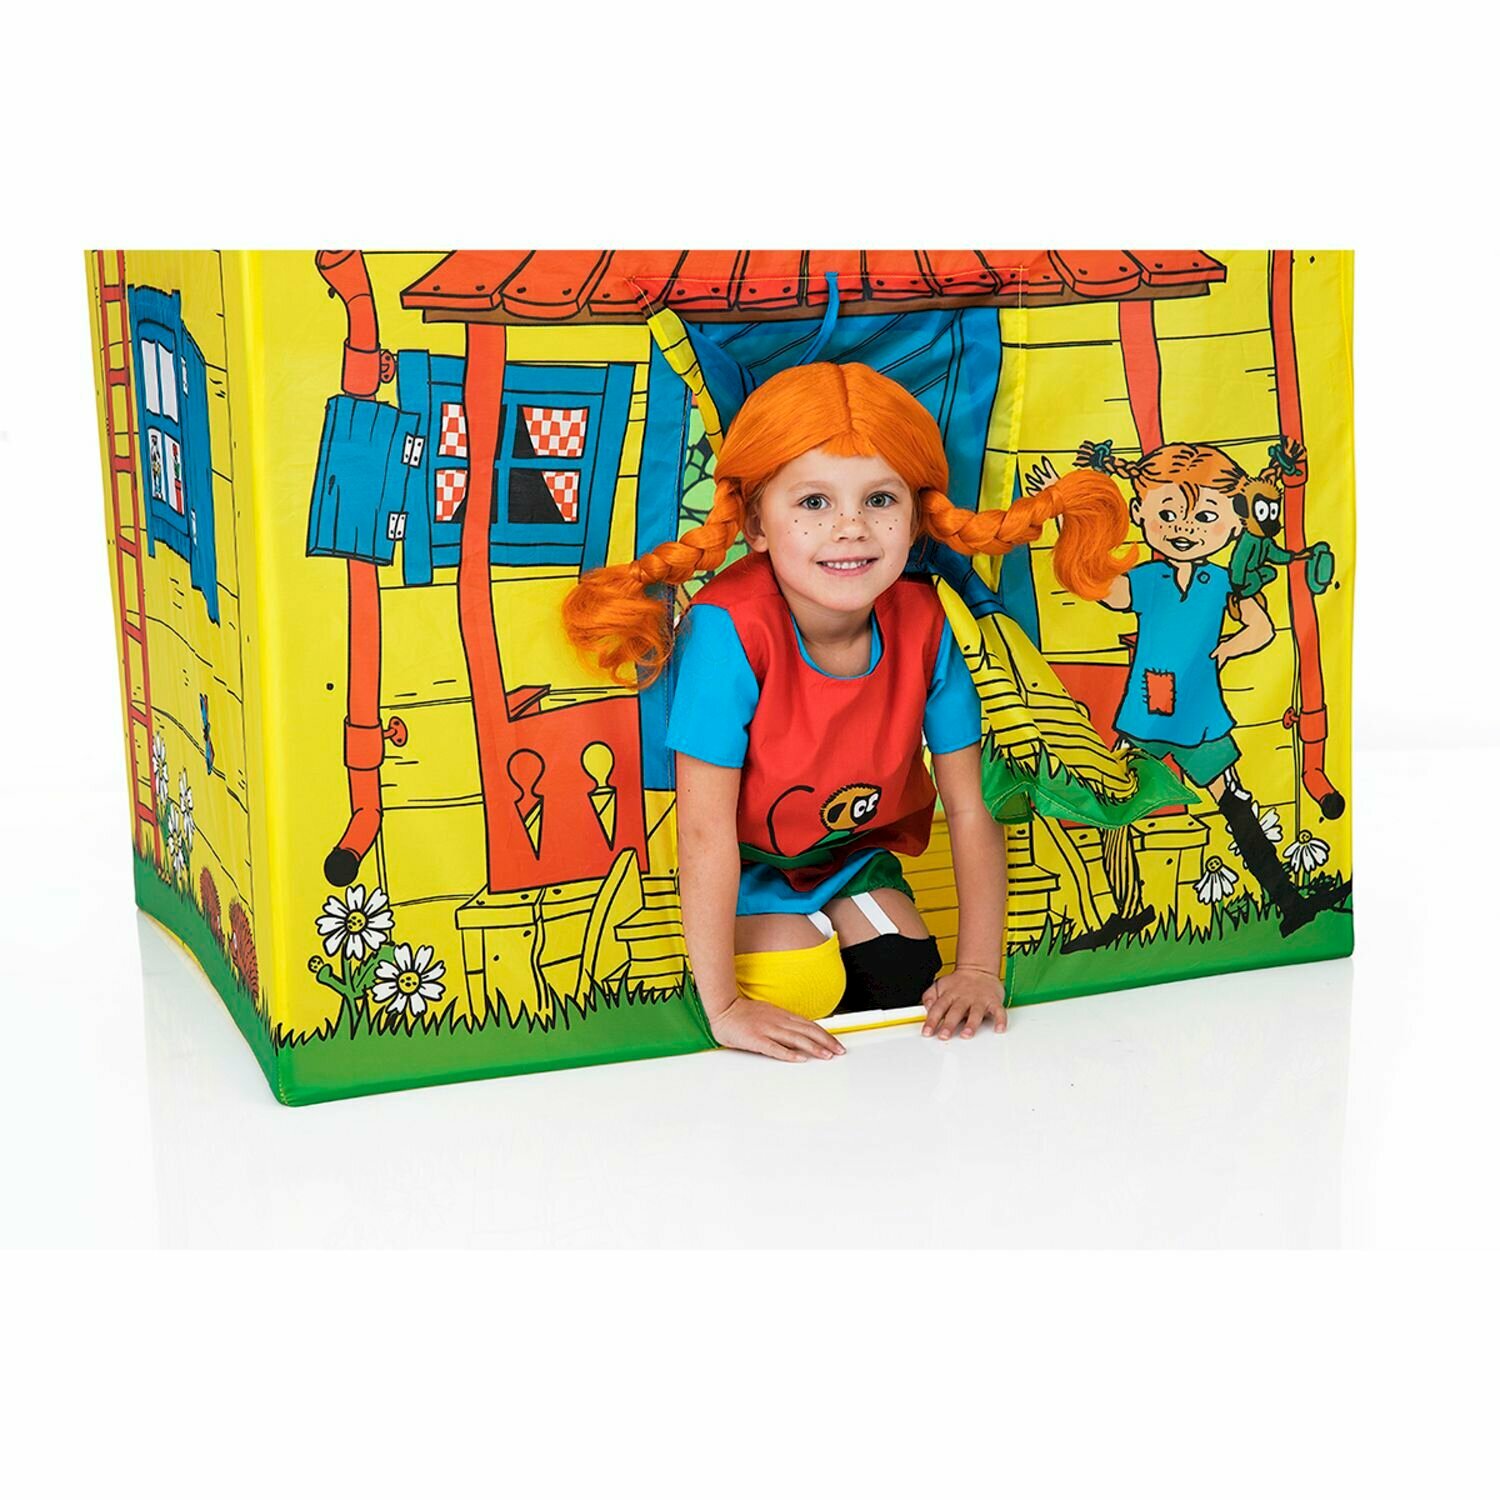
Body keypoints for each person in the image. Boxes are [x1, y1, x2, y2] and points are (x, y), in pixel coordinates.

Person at [564, 363, 1153, 1062]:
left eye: (879, 499)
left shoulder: (929, 622)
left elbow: (972, 807)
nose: (850, 528)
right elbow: (704, 830)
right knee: (803, 981)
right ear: (755, 524)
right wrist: (722, 1006)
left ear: (915, 517)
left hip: (848, 855)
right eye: (814, 502)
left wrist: (978, 967)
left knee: (901, 967)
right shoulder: (728, 629)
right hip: (742, 863)